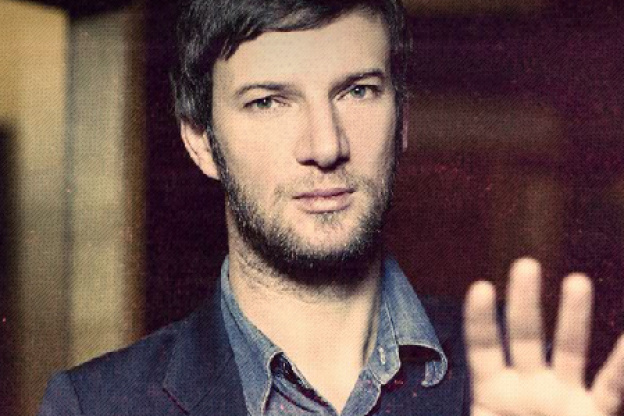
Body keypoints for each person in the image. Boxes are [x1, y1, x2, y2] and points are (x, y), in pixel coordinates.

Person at [38, 0, 624, 415]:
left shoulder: (531, 380)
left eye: (357, 91)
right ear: (200, 141)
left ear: (403, 119)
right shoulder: (96, 406)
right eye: (268, 102)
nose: (325, 146)